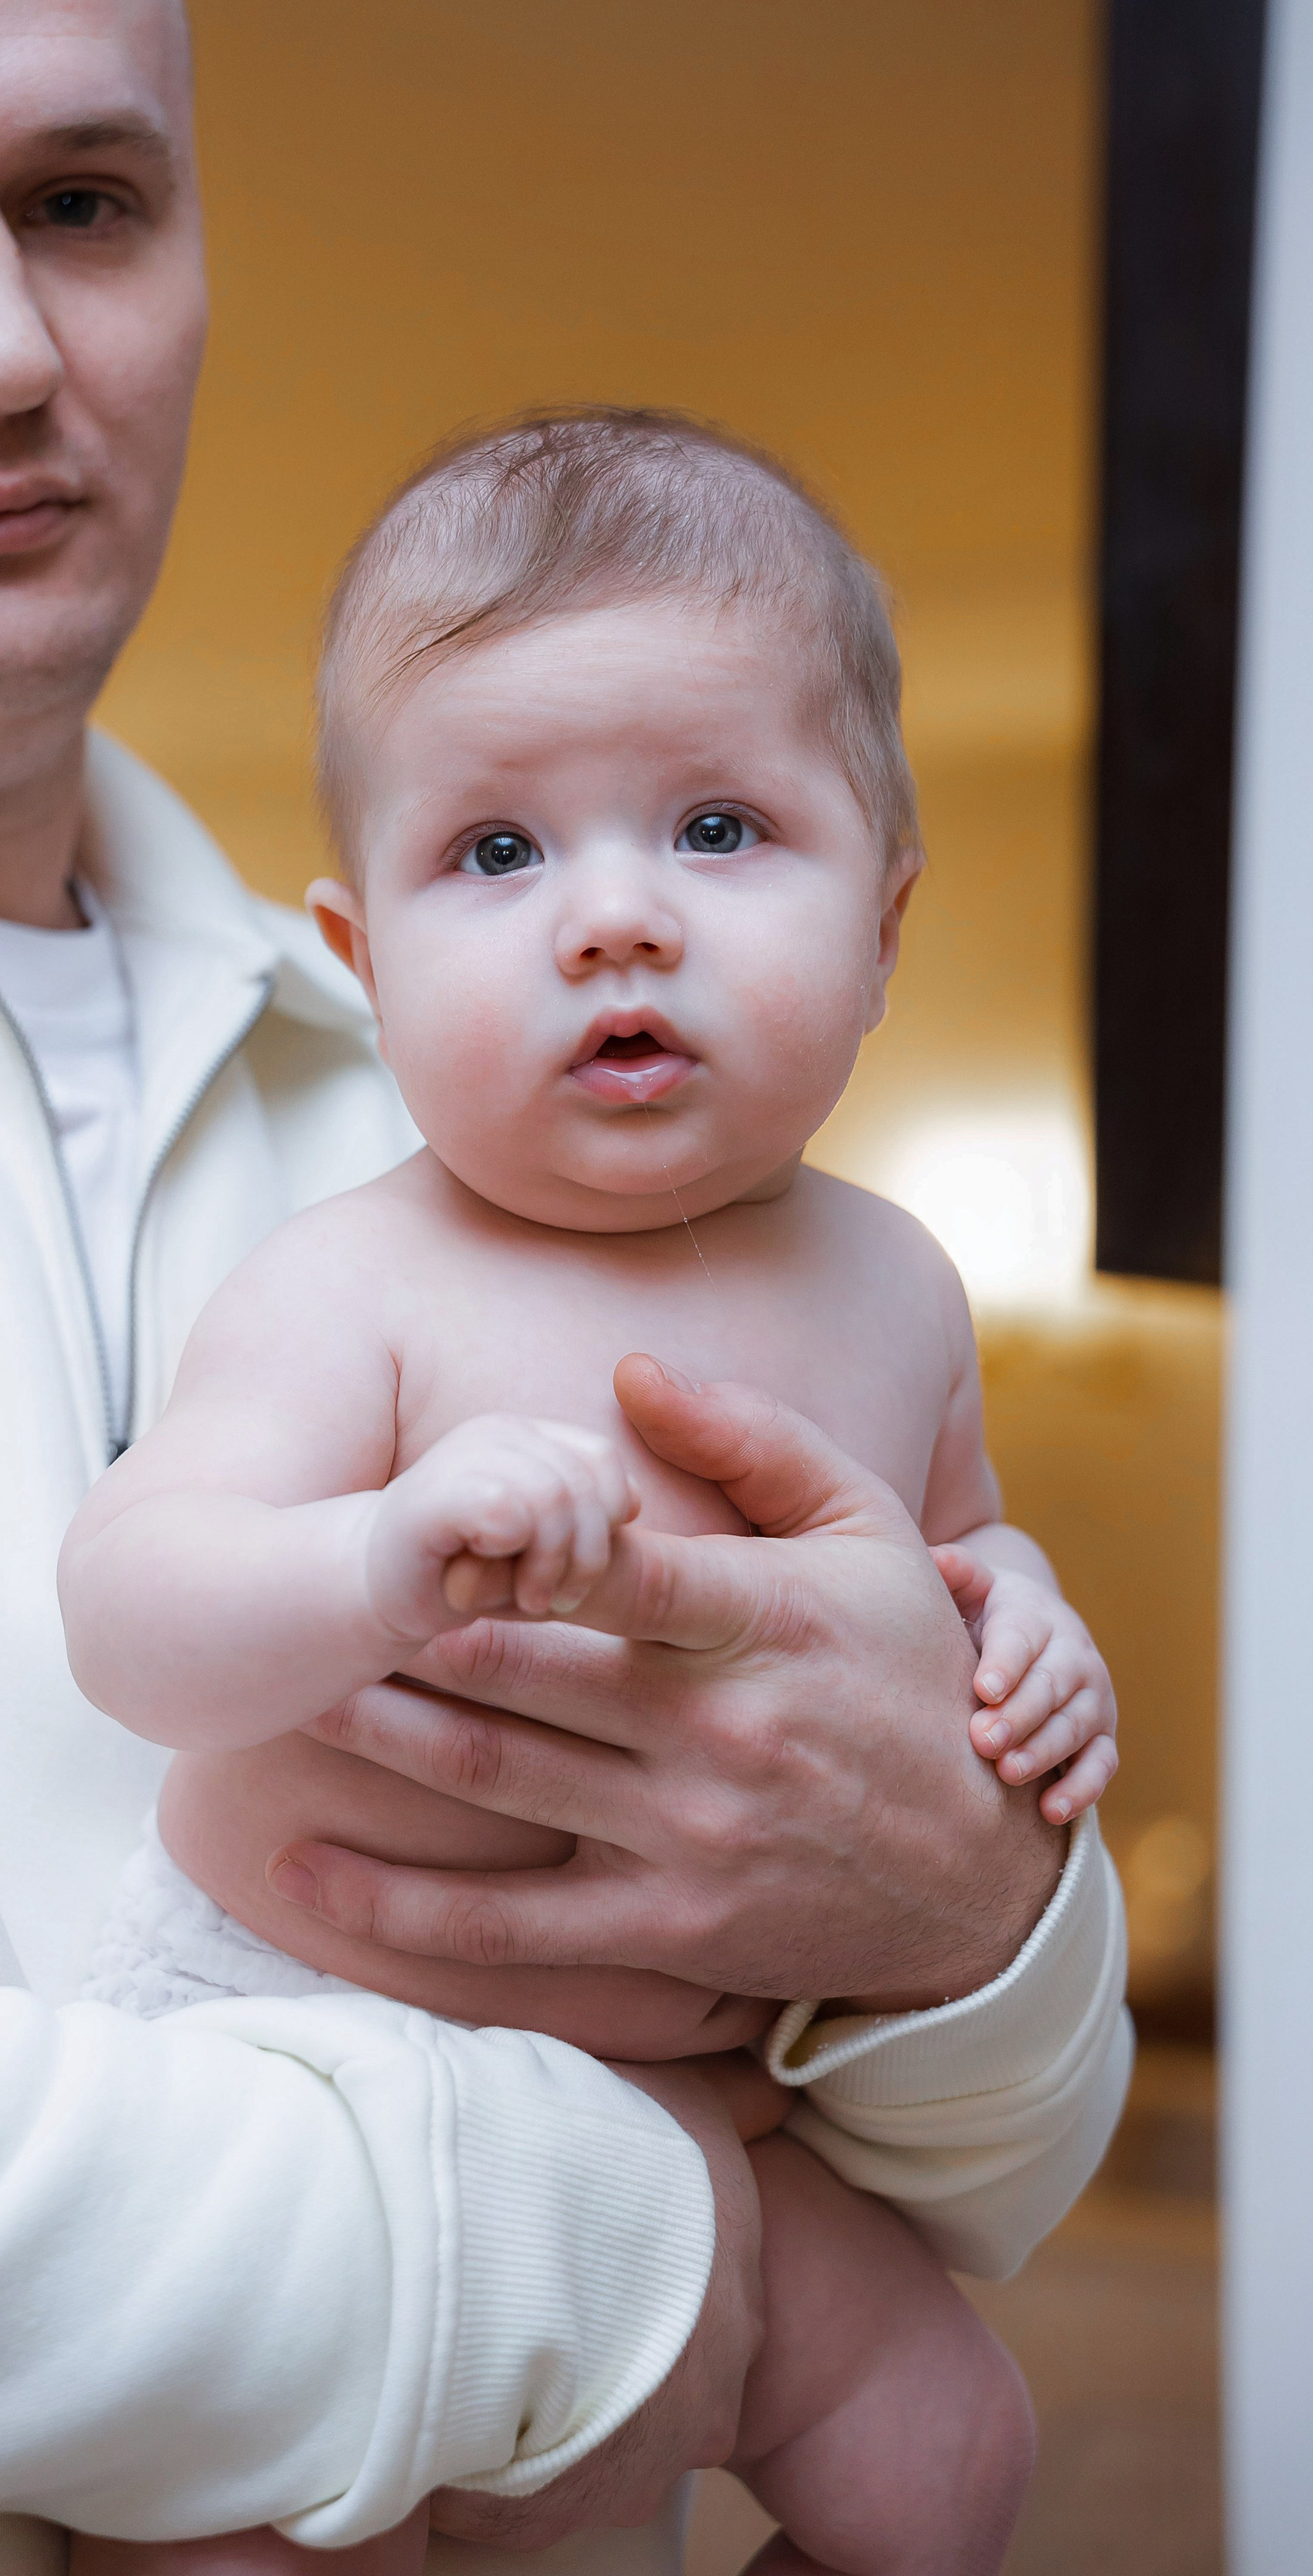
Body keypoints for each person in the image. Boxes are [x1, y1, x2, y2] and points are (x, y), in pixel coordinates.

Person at [0, 5, 1129, 2573]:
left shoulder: (487, 1092)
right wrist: (570, 2243)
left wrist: (982, 1904)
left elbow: (999, 2152)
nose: (0, 348)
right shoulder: (387, 1235)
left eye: (85, 202)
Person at [58, 412, 1118, 2576]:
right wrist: (373, 1557)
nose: (616, 920)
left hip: (707, 2093)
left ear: (886, 918)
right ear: (362, 961)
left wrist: (1022, 1615)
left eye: (720, 828)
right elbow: (133, 1612)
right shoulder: (354, 1283)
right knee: (230, 2526)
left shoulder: (898, 1283)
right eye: (499, 852)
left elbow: (950, 1551)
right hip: (310, 2063)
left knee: (953, 2452)